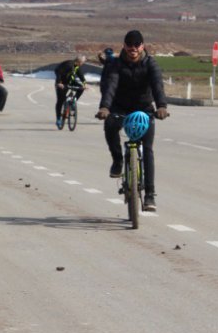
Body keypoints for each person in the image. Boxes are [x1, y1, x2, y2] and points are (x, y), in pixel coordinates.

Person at [95, 30, 169, 211]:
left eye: (137, 45)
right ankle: (118, 160)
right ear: (124, 46)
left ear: (142, 46)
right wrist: (105, 107)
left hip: (144, 108)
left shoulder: (150, 63)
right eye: (130, 46)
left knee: (148, 149)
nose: (133, 49)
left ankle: (150, 195)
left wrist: (161, 106)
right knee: (110, 125)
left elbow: (157, 85)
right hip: (120, 106)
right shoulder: (116, 64)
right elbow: (110, 85)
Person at [54, 54, 87, 128]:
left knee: (81, 88)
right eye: (83, 62)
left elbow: (81, 76)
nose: (83, 64)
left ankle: (73, 102)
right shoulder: (68, 64)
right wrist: (59, 82)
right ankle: (58, 118)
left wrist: (84, 84)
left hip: (70, 81)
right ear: (79, 61)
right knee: (60, 100)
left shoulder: (77, 66)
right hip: (62, 83)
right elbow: (58, 71)